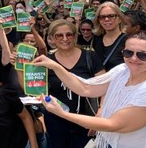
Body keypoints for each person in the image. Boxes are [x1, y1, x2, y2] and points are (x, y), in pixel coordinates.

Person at [34, 31, 146, 148]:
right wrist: (55, 66)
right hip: (106, 141)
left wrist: (62, 113)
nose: (134, 59)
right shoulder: (122, 70)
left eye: (142, 55)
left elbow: (114, 124)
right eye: (128, 53)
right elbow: (86, 88)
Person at [24, 20, 105, 148]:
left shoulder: (89, 57)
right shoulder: (47, 61)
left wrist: (100, 113)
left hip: (86, 121)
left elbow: (104, 86)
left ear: (75, 36)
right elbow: (32, 89)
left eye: (69, 34)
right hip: (56, 122)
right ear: (51, 38)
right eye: (59, 35)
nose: (65, 39)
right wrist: (18, 65)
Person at [92, 2, 127, 71]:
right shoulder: (96, 38)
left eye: (111, 16)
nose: (106, 19)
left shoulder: (127, 40)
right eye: (102, 17)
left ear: (119, 19)